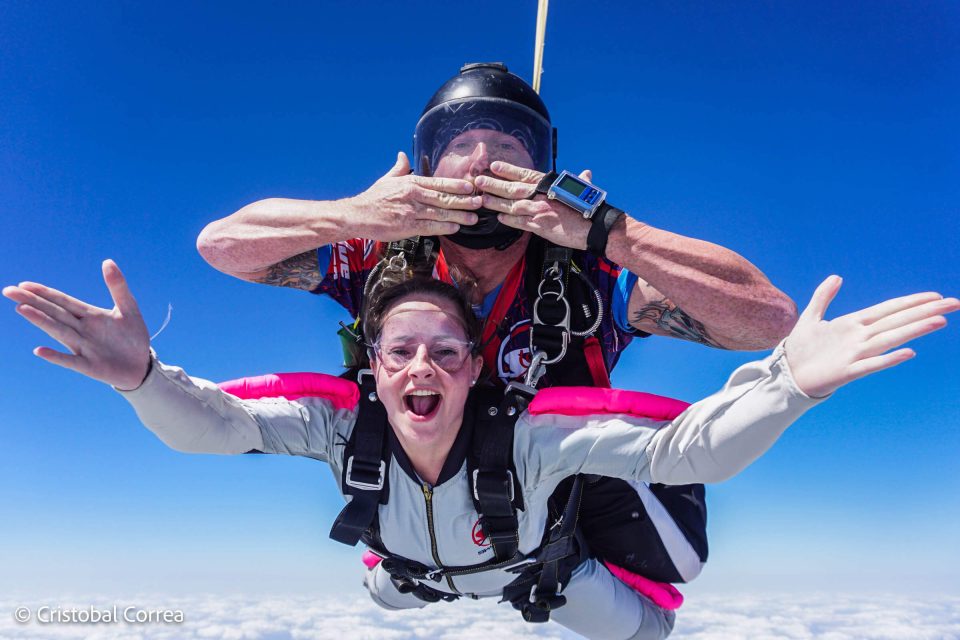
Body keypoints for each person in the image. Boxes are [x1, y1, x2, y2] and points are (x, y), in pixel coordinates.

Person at [4, 260, 956, 639]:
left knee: (648, 635)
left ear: (472, 370)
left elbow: (686, 453)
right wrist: (141, 378)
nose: (425, 367)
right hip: (408, 574)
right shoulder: (344, 422)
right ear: (373, 368)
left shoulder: (532, 435)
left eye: (447, 353)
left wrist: (790, 379)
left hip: (536, 574)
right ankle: (400, 570)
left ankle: (572, 554)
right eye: (402, 351)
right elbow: (216, 426)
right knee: (376, 588)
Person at [195, 62, 799, 583]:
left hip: (560, 498)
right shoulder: (379, 253)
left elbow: (766, 320)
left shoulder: (590, 271)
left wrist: (611, 232)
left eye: (510, 147)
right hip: (423, 495)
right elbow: (221, 246)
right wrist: (354, 213)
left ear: (544, 168)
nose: (483, 162)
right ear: (428, 164)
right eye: (460, 146)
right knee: (395, 577)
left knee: (654, 578)